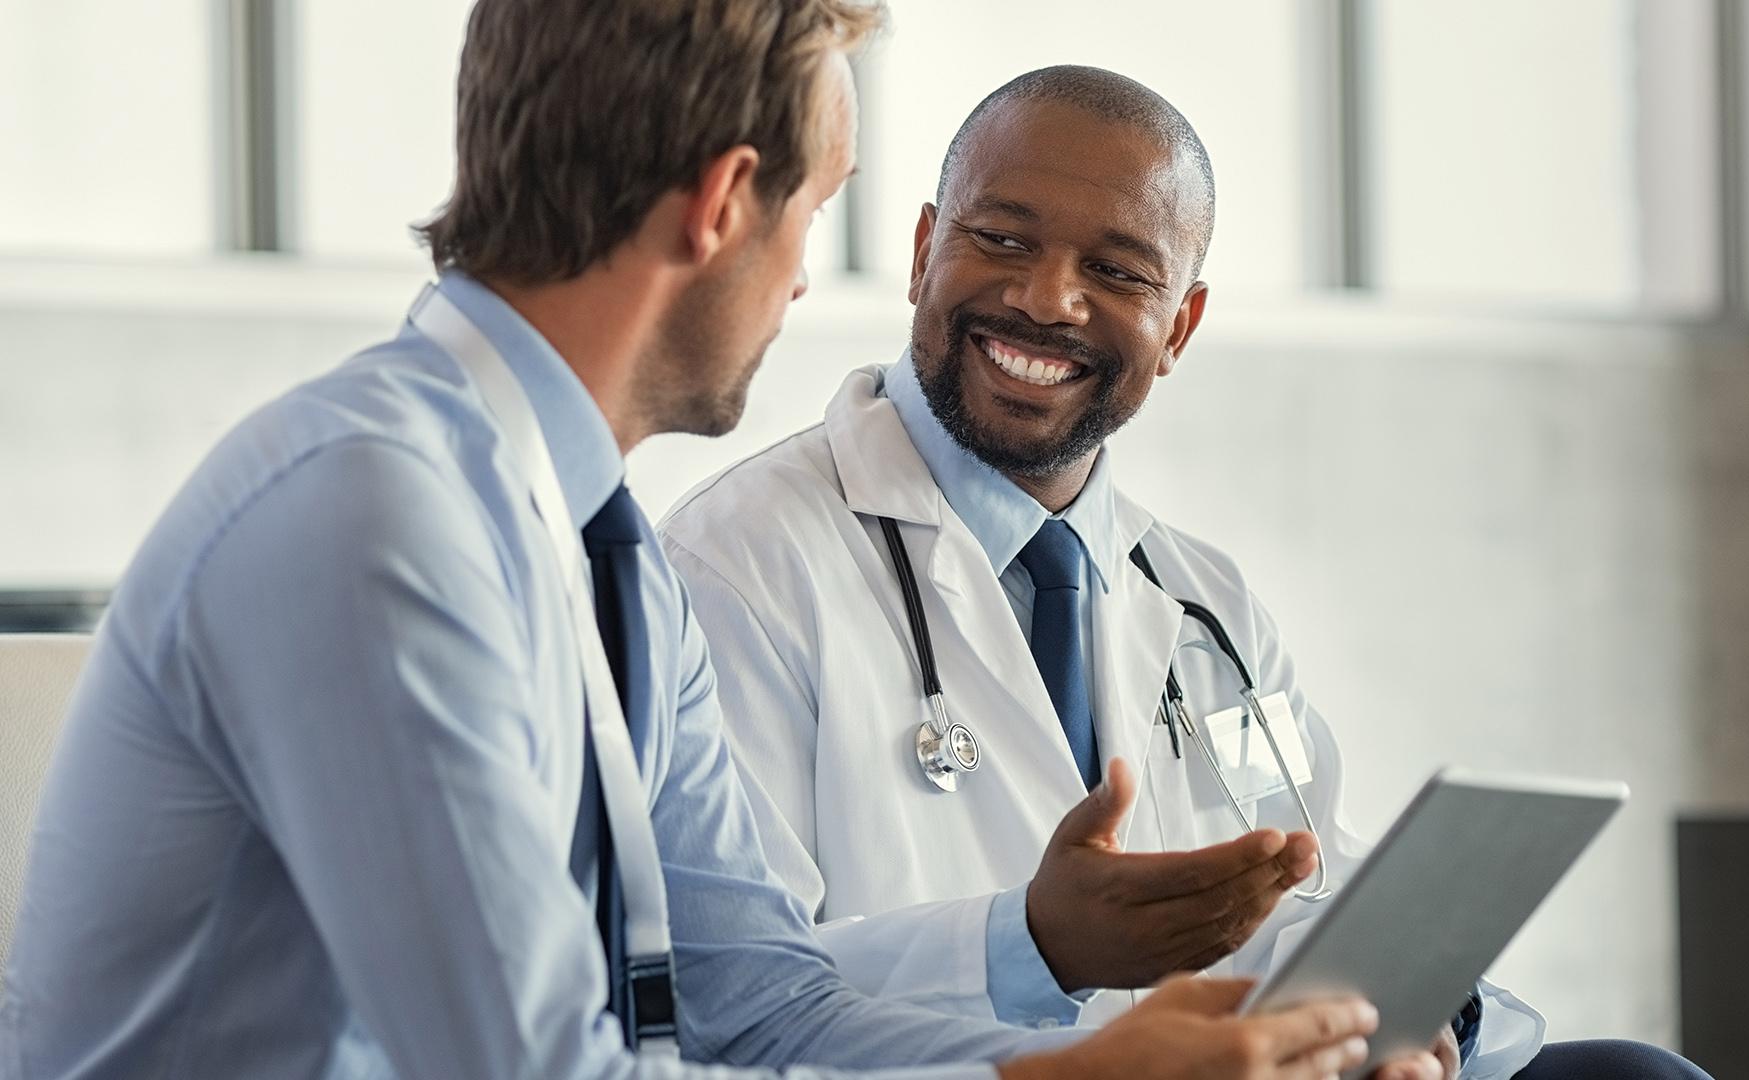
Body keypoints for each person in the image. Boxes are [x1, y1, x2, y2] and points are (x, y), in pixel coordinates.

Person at [0, 9, 1396, 1080]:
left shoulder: (605, 558)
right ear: (728, 202)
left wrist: (1080, 1061)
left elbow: (756, 1003)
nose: (804, 276)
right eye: (818, 208)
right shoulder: (376, 520)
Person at [659, 66, 1713, 1080]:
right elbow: (726, 1004)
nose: (1048, 298)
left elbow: (1311, 885)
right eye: (1002, 238)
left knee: (1636, 1075)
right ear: (926, 248)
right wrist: (1027, 944)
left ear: (1182, 327)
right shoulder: (740, 565)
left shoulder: (1204, 606)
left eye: (1117, 272)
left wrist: (1413, 1017)